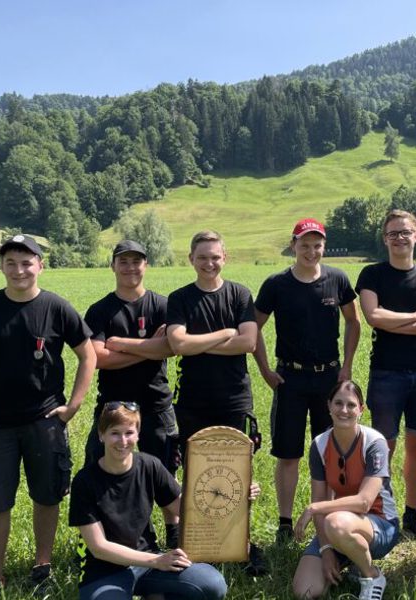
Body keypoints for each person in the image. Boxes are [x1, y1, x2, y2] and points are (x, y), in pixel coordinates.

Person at [0, 234, 95, 599]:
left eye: (27, 262)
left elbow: (88, 354)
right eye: (11, 263)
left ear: (40, 266)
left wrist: (73, 405)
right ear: (1, 266)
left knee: (47, 497)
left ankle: (42, 568)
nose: (19, 270)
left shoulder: (57, 308)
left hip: (45, 422)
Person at [253, 218, 360, 544]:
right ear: (294, 245)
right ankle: (285, 523)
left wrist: (347, 368)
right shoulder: (276, 284)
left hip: (329, 377)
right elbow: (253, 328)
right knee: (288, 455)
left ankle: (325, 517)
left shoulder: (338, 279)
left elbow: (354, 322)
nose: (311, 251)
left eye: (317, 245)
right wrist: (265, 370)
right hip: (290, 379)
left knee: (328, 451)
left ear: (323, 246)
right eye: (304, 245)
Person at [165, 230, 266, 575]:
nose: (209, 263)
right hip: (192, 400)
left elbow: (249, 342)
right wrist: (225, 334)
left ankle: (240, 543)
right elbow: (177, 343)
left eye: (215, 256)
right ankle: (198, 543)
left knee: (234, 474)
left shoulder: (240, 294)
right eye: (202, 257)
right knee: (196, 474)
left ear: (226, 258)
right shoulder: (179, 298)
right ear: (191, 259)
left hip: (234, 399)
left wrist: (198, 342)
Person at [69, 402, 232, 600]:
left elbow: (190, 512)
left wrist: (235, 500)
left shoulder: (150, 465)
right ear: (101, 435)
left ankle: (155, 592)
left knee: (212, 585)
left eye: (129, 432)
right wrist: (156, 561)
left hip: (148, 565)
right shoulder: (85, 481)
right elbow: (99, 547)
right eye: (114, 433)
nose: (122, 440)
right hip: (105, 571)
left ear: (138, 435)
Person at [355, 209, 416, 542]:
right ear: (385, 238)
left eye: (405, 232)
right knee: (385, 448)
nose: (399, 238)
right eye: (393, 233)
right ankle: (384, 513)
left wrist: (402, 320)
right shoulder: (372, 275)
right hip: (386, 373)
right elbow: (373, 317)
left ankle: (414, 515)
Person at [84, 239, 180, 548]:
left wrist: (121, 344)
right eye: (123, 261)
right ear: (112, 266)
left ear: (146, 265)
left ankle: (173, 530)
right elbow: (98, 358)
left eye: (136, 261)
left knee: (164, 471)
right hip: (112, 405)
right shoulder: (100, 311)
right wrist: (149, 350)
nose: (130, 267)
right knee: (100, 469)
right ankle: (102, 537)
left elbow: (171, 346)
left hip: (156, 403)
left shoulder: (163, 305)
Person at [291, 380, 400, 600]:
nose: (344, 410)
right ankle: (352, 559)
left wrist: (314, 508)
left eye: (351, 405)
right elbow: (321, 503)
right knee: (306, 590)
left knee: (336, 522)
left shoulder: (374, 442)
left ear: (362, 409)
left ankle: (371, 575)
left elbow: (364, 503)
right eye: (338, 403)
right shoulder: (319, 445)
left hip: (380, 524)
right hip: (339, 525)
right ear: (329, 406)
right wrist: (326, 550)